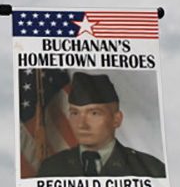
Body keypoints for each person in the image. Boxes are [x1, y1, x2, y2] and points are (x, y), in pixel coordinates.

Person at [37, 72, 166, 178]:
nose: (82, 125)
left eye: (94, 113)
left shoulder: (150, 169)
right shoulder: (51, 168)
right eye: (75, 113)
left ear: (117, 119)